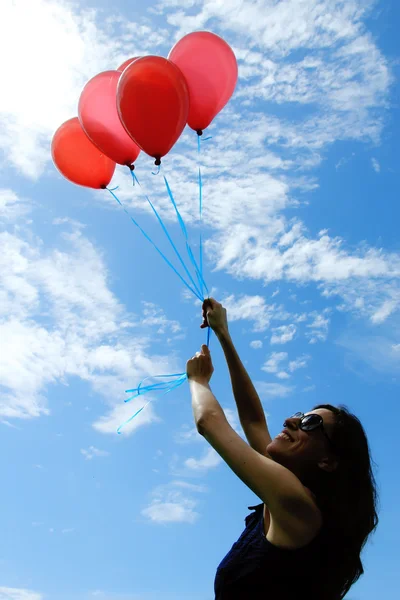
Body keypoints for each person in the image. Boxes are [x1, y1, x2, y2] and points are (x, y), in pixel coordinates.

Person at [186, 298, 379, 600]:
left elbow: (209, 422)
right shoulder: (290, 497)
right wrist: (223, 333)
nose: (292, 420)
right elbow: (252, 419)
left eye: (311, 423)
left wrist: (198, 381)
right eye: (301, 415)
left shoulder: (297, 506)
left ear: (328, 461)